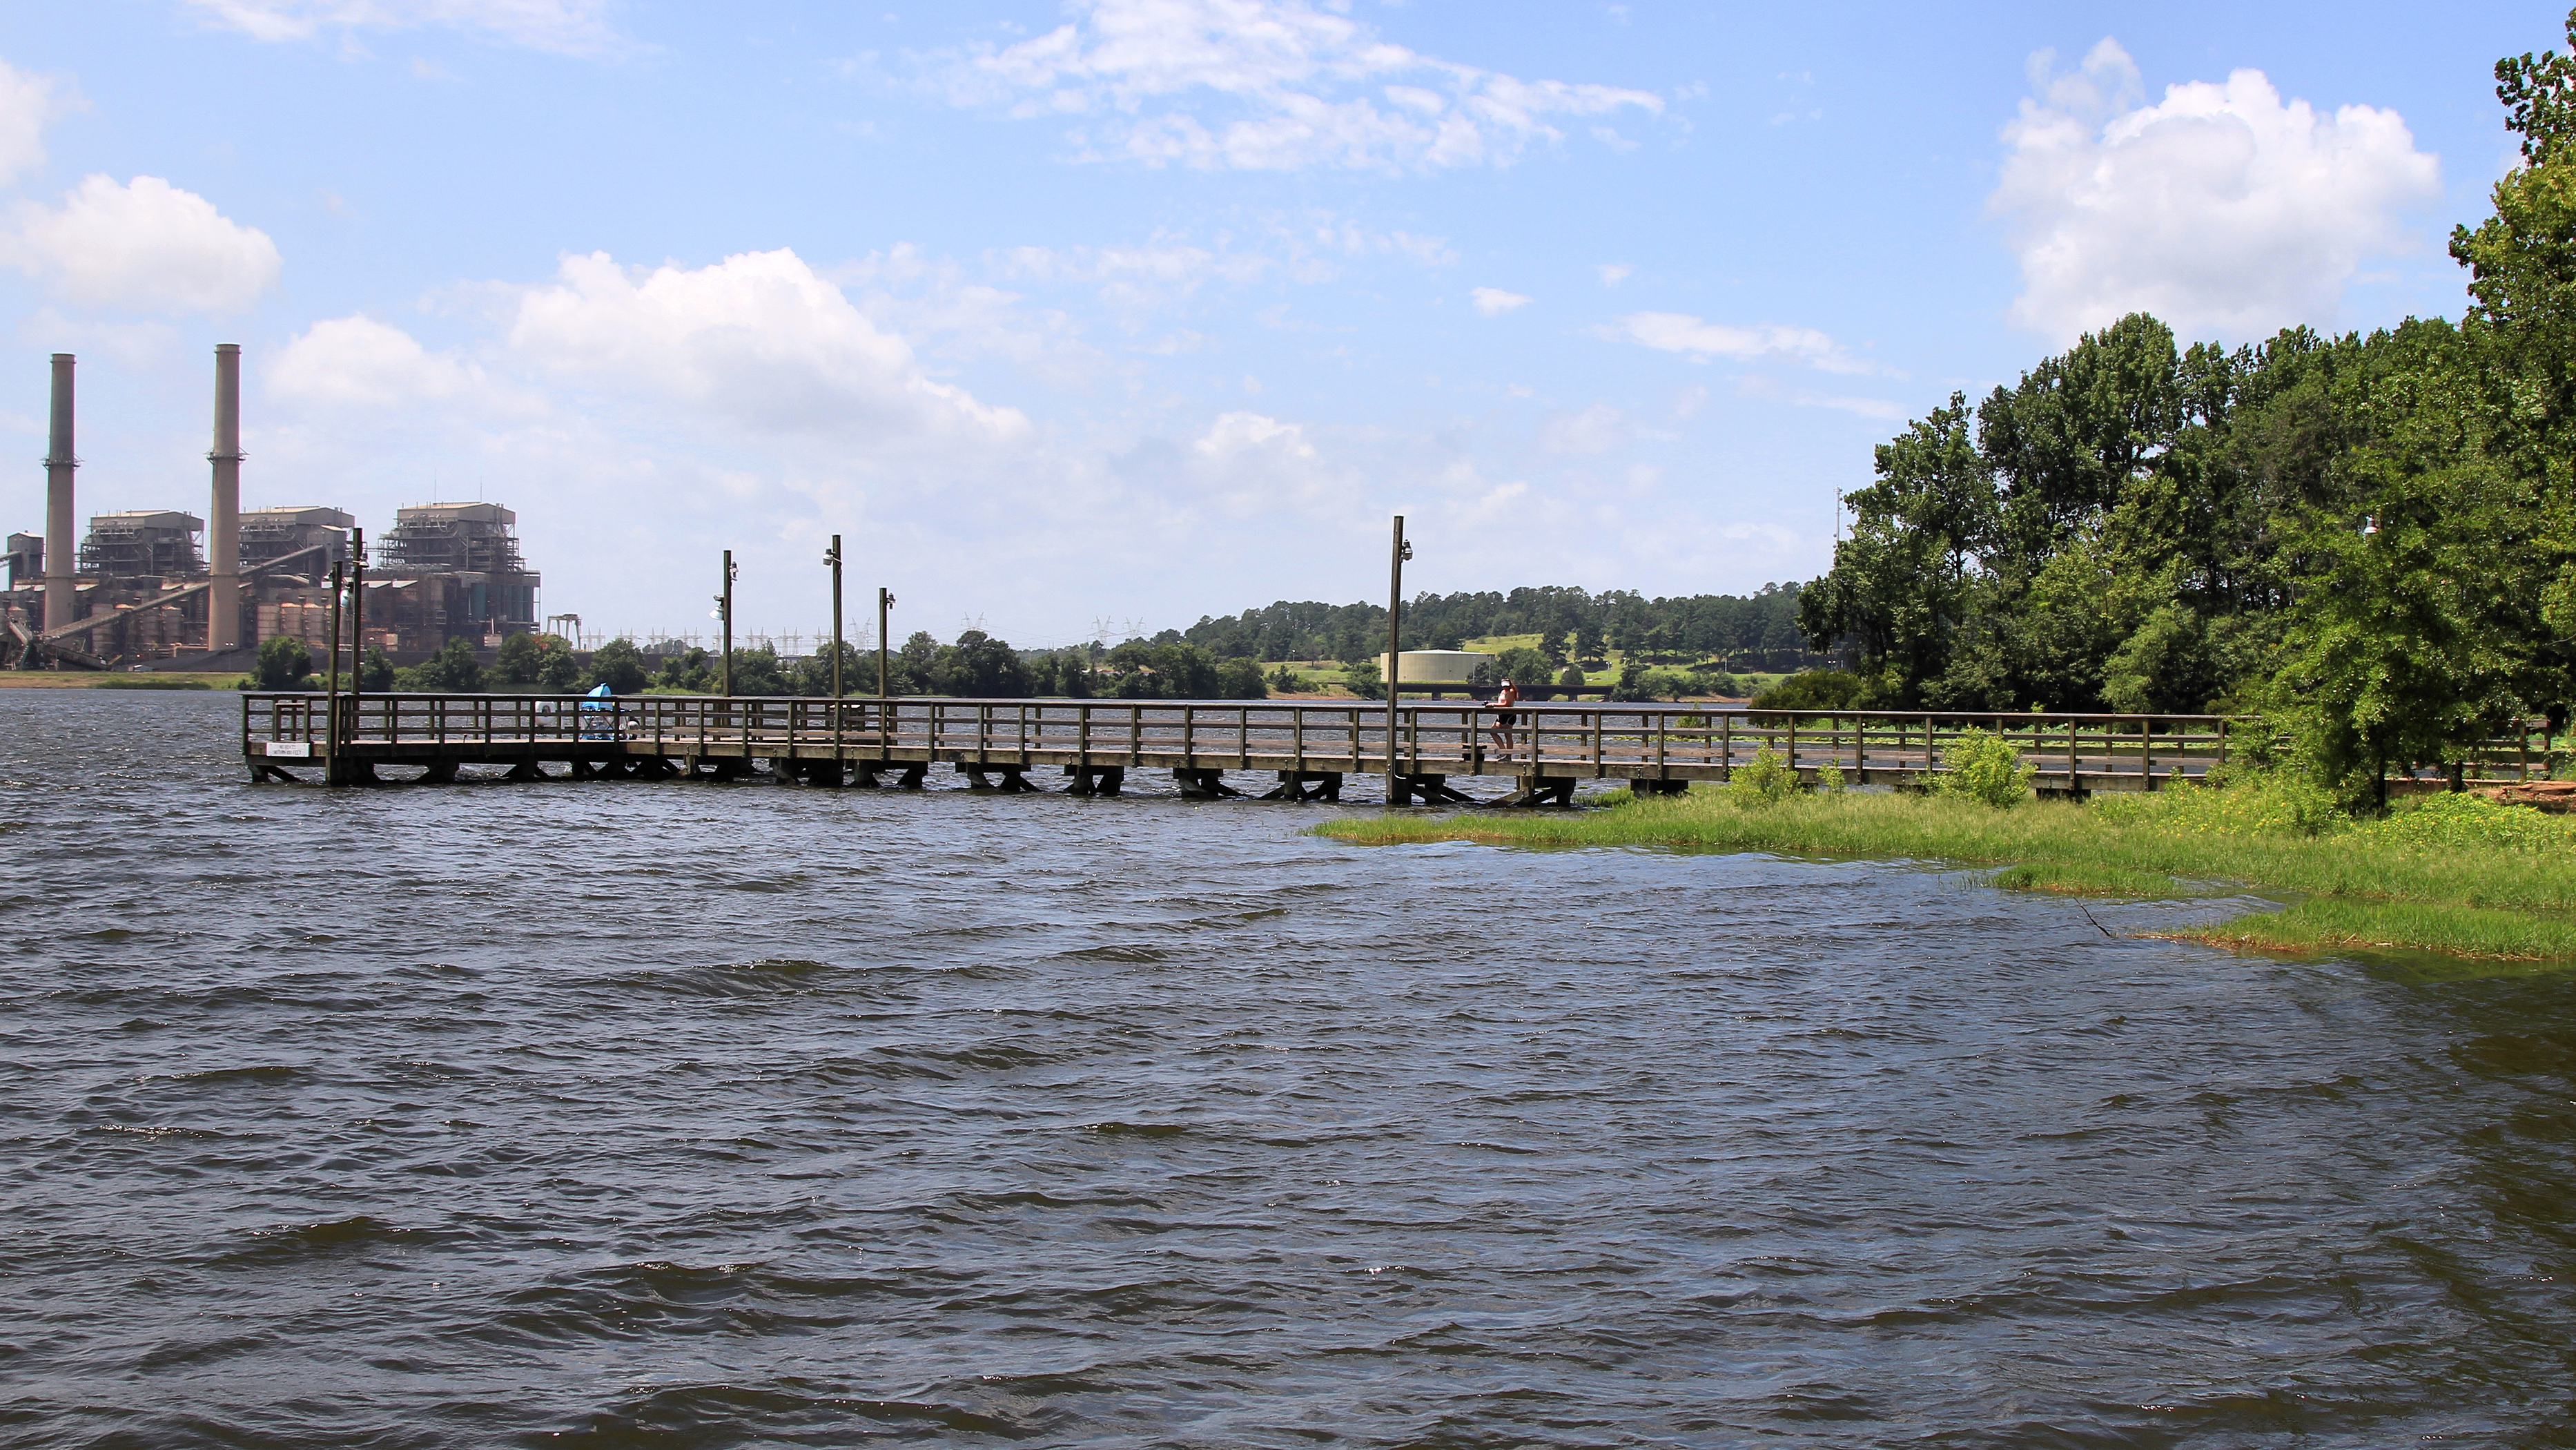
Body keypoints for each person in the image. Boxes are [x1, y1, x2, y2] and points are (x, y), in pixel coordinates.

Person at [1485, 678, 1520, 757]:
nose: (1505, 687)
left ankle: (1508, 756)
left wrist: (1492, 705)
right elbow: (1500, 703)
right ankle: (1503, 750)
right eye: (1503, 686)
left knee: (1508, 736)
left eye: (1506, 686)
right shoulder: (1503, 692)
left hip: (1508, 715)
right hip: (1501, 715)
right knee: (1493, 731)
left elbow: (1507, 704)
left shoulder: (1511, 692)